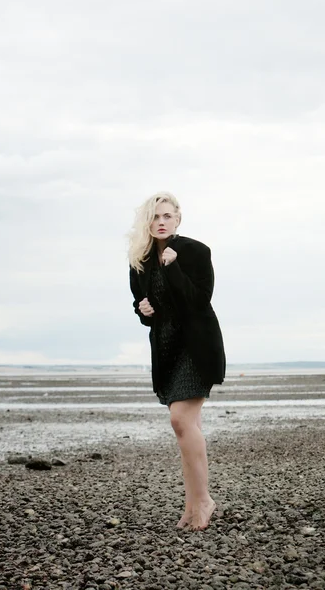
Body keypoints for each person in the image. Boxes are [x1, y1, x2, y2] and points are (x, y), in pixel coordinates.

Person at [128, 192, 226, 531]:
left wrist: (173, 266)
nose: (161, 222)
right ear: (147, 222)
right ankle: (191, 505)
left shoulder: (196, 252)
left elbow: (198, 301)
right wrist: (142, 309)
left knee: (181, 420)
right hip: (166, 351)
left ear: (178, 219)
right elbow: (142, 305)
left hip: (197, 346)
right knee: (188, 425)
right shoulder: (139, 260)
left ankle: (203, 501)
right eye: (155, 217)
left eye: (167, 216)